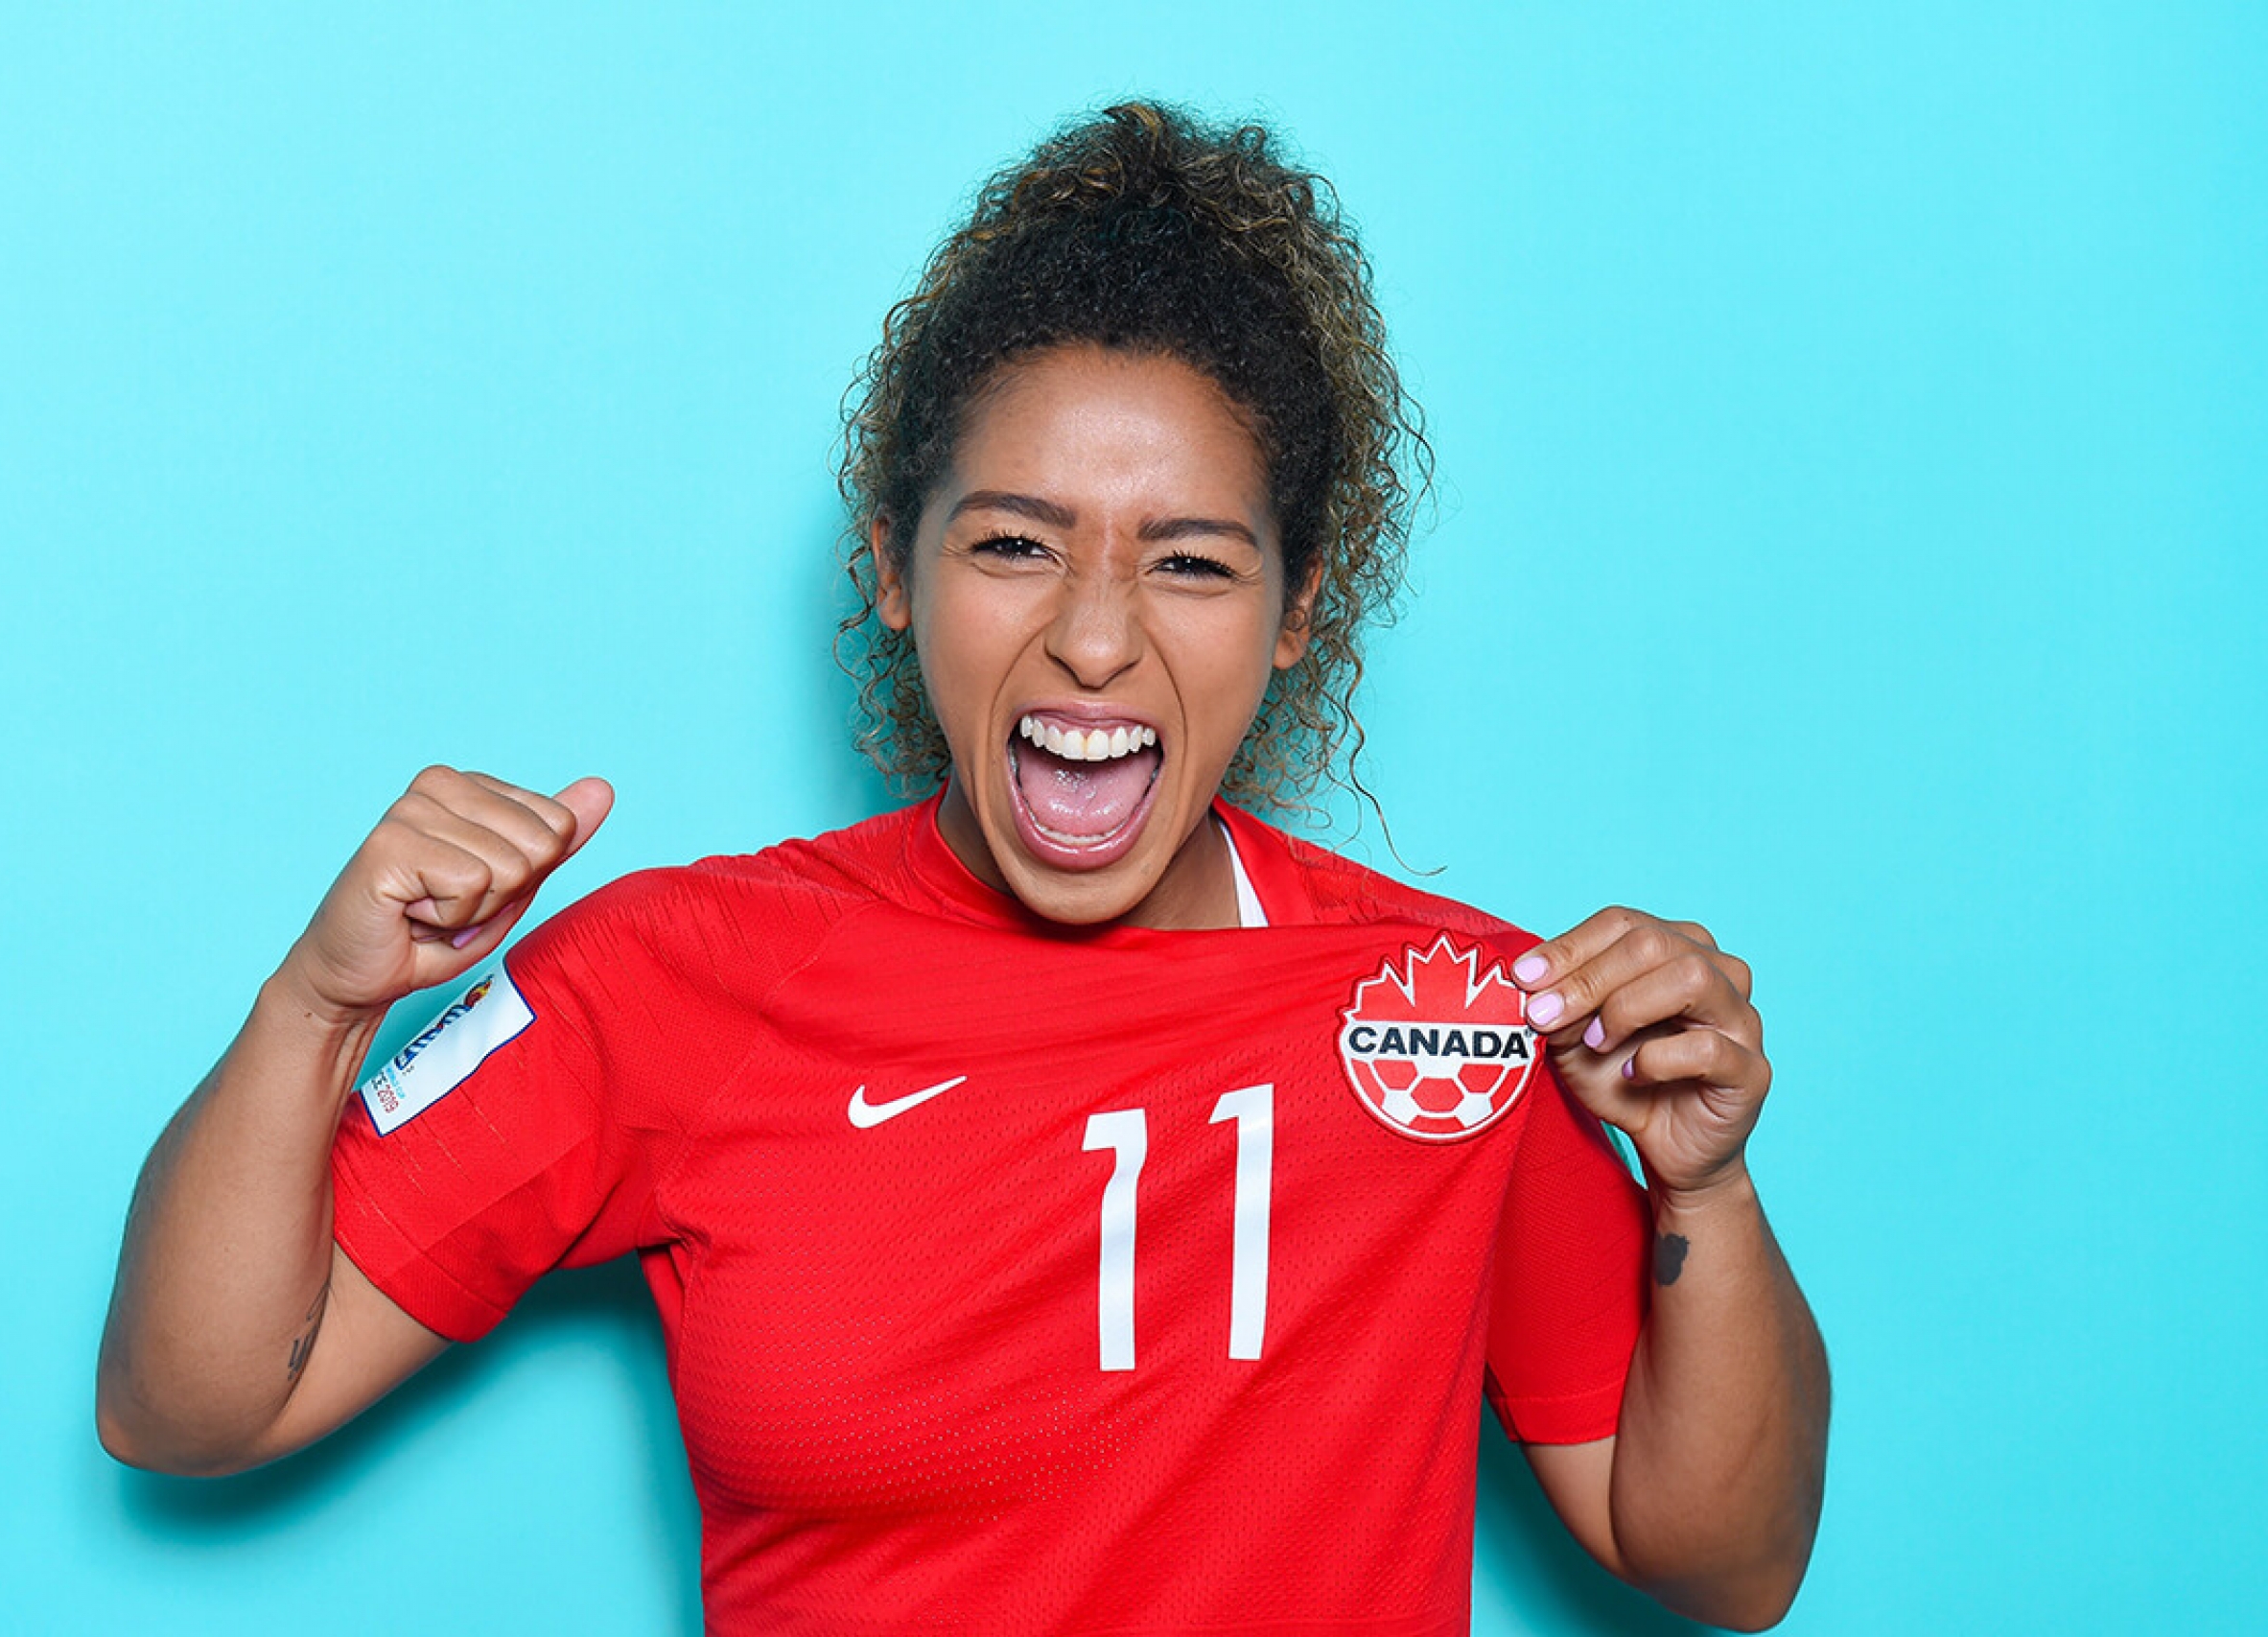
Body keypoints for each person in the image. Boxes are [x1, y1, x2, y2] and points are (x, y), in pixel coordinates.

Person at [97, 102, 1827, 1634]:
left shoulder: (1444, 1020)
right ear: (898, 570)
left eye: (1192, 565)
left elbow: (1723, 1564)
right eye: (1014, 545)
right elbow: (190, 1410)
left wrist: (1705, 1189)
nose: (1091, 640)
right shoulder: (678, 975)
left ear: (1300, 612)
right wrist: (319, 1007)